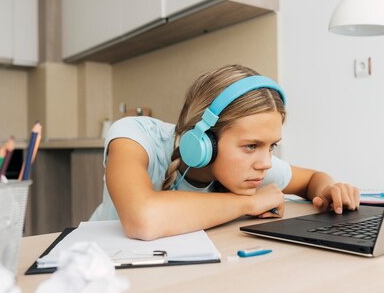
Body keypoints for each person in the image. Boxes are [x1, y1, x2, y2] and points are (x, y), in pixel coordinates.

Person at [90, 64, 360, 240]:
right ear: (203, 142)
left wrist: (329, 191)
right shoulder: (134, 136)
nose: (266, 163)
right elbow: (143, 219)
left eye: (272, 146)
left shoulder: (248, 167)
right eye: (251, 146)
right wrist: (249, 203)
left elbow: (313, 179)